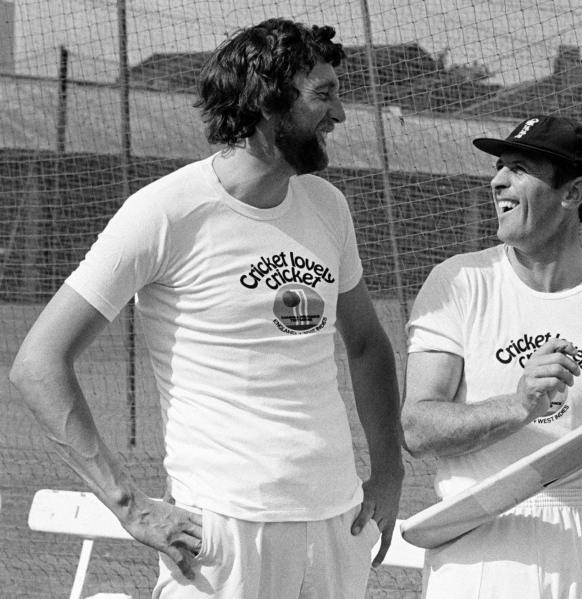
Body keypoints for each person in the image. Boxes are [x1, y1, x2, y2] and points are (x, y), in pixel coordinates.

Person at [10, 18, 403, 599]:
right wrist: (130, 506)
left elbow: (368, 344)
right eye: (323, 95)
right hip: (224, 531)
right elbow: (38, 363)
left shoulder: (328, 206)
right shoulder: (167, 212)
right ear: (269, 101)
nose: (340, 114)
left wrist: (389, 471)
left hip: (337, 519)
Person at [401, 115, 582, 599]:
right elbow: (417, 428)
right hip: (477, 539)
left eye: (518, 168)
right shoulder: (459, 282)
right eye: (500, 167)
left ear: (573, 192)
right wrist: (520, 405)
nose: (497, 180)